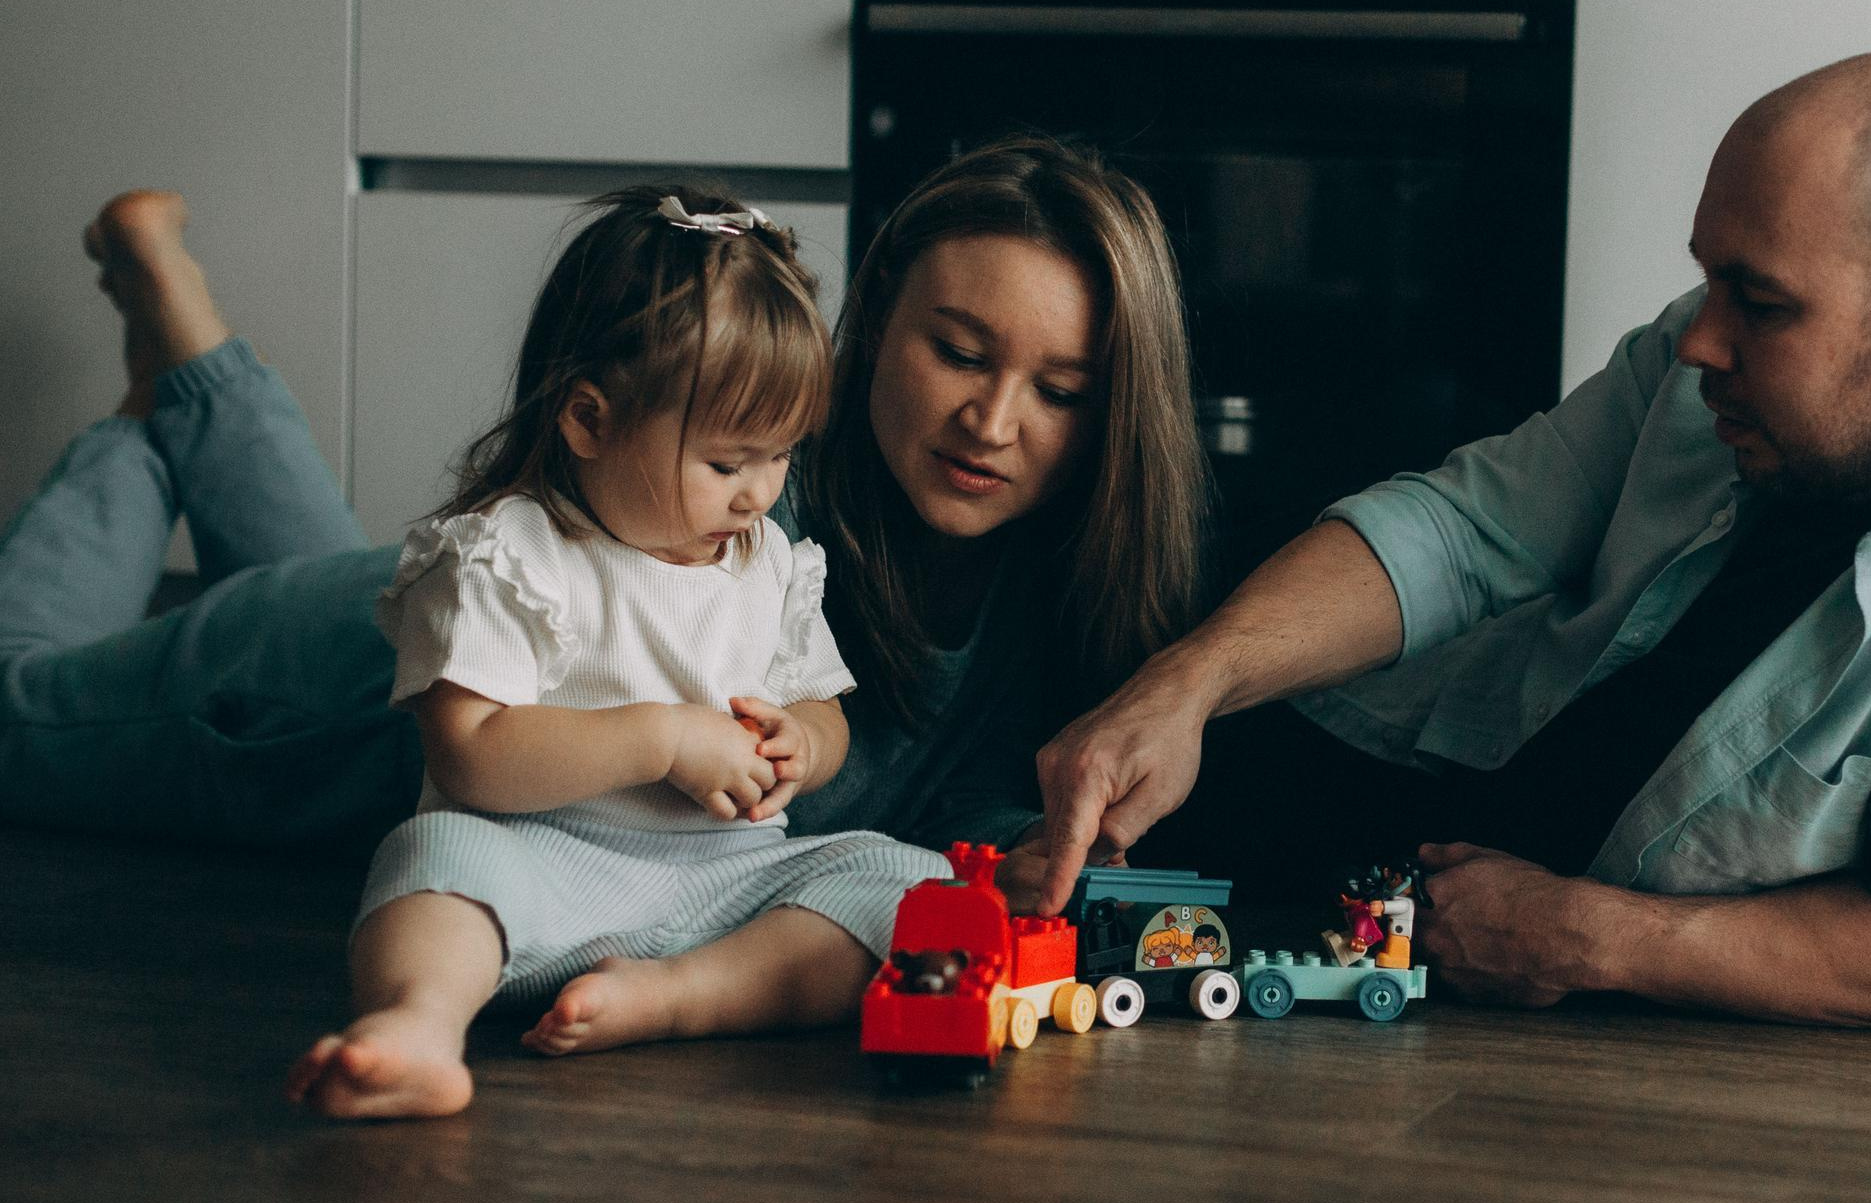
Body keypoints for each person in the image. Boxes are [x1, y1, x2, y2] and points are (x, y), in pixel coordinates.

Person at [1034, 52, 1871, 1033]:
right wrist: (1190, 685)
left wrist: (1595, 939)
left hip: (1576, 1018)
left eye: (1758, 304)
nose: (1697, 337)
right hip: (1400, 779)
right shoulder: (1708, 360)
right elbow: (1468, 530)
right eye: (1707, 278)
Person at [0, 135, 1206, 1027]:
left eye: (1059, 391)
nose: (993, 421)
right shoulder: (740, 485)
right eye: (957, 351)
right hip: (339, 703)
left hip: (554, 793)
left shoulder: (1058, 591)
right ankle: (148, 416)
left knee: (307, 561)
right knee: (20, 711)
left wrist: (1037, 856)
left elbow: (932, 809)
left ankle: (181, 334)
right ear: (875, 322)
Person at [287, 185, 970, 1117]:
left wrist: (803, 746)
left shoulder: (766, 561)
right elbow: (470, 753)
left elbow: (824, 712)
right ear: (590, 422)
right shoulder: (511, 552)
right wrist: (661, 739)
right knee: (433, 856)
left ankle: (683, 995)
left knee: (909, 881)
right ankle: (420, 1022)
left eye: (780, 458)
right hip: (538, 866)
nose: (757, 495)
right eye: (727, 463)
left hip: (729, 884)